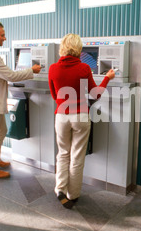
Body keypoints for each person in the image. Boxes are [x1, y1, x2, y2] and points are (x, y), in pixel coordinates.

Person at [48, 33, 115, 208]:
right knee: (77, 156)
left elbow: (55, 95)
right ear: (78, 49)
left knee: (63, 153)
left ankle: (60, 188)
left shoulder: (53, 68)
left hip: (61, 115)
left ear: (63, 47)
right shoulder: (84, 68)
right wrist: (107, 77)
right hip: (80, 116)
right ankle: (73, 195)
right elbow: (96, 94)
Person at [0, 21, 41, 179]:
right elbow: (10, 75)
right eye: (2, 35)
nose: (4, 38)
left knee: (2, 130)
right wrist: (31, 71)